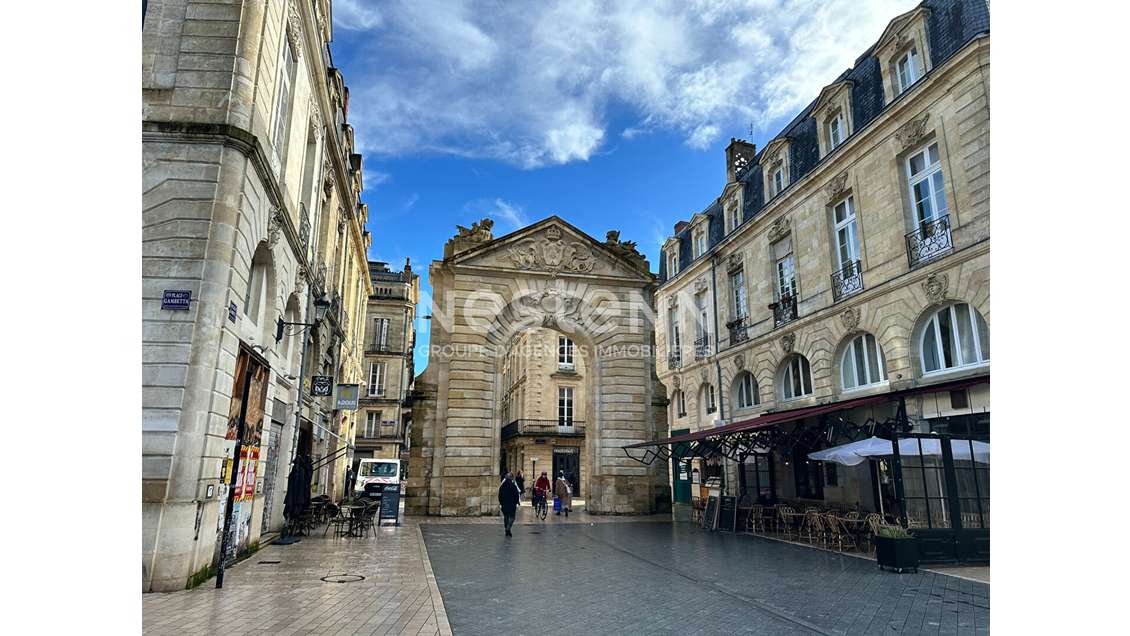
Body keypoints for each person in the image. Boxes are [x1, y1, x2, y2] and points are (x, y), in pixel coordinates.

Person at [498, 472, 521, 537]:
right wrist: (517, 502)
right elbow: (516, 494)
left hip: (504, 504)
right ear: (511, 478)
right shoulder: (513, 485)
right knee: (512, 517)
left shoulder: (502, 486)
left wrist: (501, 502)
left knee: (506, 517)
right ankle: (508, 529)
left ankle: (507, 530)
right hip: (512, 504)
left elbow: (499, 495)